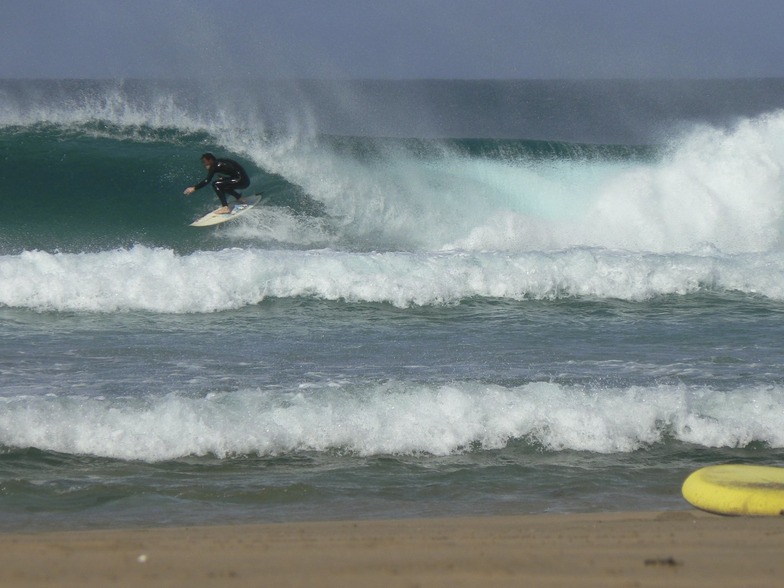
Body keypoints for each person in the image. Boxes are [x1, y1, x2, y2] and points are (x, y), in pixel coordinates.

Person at [184, 153, 251, 214]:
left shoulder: (215, 166)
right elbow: (233, 170)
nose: (204, 164)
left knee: (215, 184)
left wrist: (194, 188)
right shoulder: (219, 162)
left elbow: (207, 180)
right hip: (244, 180)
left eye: (204, 162)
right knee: (222, 185)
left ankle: (225, 208)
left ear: (210, 160)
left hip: (242, 181)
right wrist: (223, 178)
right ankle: (239, 197)